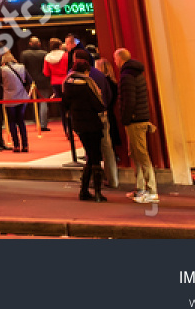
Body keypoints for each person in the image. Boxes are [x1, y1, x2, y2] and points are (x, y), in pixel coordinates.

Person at [61, 53, 107, 201]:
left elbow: (65, 105)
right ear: (86, 71)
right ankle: (98, 193)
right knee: (95, 157)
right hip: (92, 123)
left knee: (89, 155)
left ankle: (84, 191)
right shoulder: (87, 85)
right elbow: (98, 106)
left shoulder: (67, 84)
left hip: (78, 123)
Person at [114, 48, 156, 203]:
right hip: (139, 118)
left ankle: (151, 190)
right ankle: (140, 189)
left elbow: (128, 100)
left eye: (115, 59)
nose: (115, 62)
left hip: (135, 121)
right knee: (136, 155)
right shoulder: (136, 73)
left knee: (141, 155)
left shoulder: (127, 76)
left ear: (120, 59)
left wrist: (125, 119)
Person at [89, 51, 120, 189]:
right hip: (111, 114)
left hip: (103, 115)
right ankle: (112, 178)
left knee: (103, 147)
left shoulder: (101, 82)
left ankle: (104, 178)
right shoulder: (113, 82)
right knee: (109, 146)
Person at [43, 38, 75, 159]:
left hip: (55, 82)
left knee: (61, 107)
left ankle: (66, 129)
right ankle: (73, 126)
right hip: (66, 80)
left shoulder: (47, 58)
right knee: (71, 104)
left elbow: (46, 72)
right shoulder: (66, 56)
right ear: (60, 45)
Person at [0, 51, 32, 153]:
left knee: (12, 122)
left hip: (9, 98)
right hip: (22, 97)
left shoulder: (2, 70)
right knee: (21, 121)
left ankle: (16, 145)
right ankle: (25, 145)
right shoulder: (22, 67)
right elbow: (30, 80)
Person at [20, 36, 50, 131]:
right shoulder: (44, 54)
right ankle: (43, 124)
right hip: (44, 80)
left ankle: (37, 121)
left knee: (34, 102)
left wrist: (25, 81)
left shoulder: (24, 54)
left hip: (30, 81)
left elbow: (23, 69)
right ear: (39, 44)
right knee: (44, 102)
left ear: (30, 43)